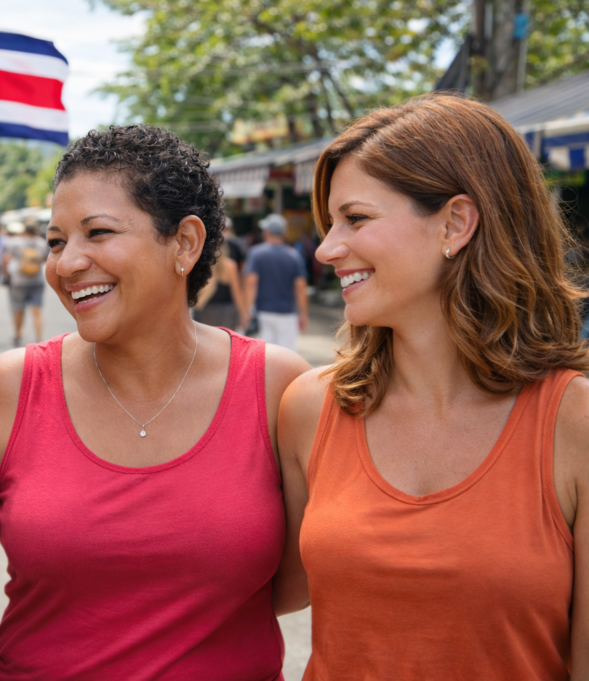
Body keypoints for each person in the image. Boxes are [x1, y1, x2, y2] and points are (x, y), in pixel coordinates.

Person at [0, 124, 309, 680]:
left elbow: (298, 579)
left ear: (184, 243)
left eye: (97, 232)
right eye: (56, 241)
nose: (67, 263)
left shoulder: (278, 388)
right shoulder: (7, 390)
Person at [275, 94, 589, 679]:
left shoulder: (575, 422)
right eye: (328, 224)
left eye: (356, 218)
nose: (325, 249)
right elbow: (249, 592)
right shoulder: (311, 406)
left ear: (456, 223)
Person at [245, 213, 309, 350]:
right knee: (288, 356)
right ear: (284, 233)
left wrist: (248, 309)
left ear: (267, 231)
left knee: (263, 356)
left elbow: (251, 283)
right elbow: (300, 287)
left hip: (263, 312)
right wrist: (303, 313)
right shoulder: (294, 256)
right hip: (287, 314)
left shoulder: (256, 253)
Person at [3, 221, 49, 347]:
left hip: (19, 280)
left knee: (18, 309)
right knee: (37, 310)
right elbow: (45, 259)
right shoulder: (41, 243)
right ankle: (39, 337)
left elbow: (7, 259)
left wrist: (6, 276)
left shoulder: (16, 242)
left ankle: (17, 334)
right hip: (37, 280)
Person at [193, 240, 246, 330]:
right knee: (225, 341)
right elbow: (236, 292)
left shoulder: (203, 265)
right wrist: (243, 313)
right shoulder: (230, 265)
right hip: (227, 311)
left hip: (207, 309)